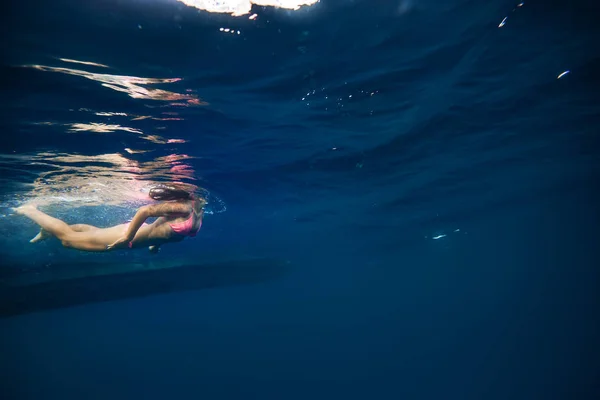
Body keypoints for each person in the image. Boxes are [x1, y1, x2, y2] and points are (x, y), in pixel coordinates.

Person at [14, 184, 205, 253]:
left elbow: (170, 231)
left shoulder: (198, 207)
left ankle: (47, 231)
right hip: (125, 238)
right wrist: (128, 237)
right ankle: (30, 210)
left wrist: (156, 244)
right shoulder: (184, 207)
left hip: (132, 240)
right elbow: (145, 211)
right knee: (67, 240)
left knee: (90, 233)